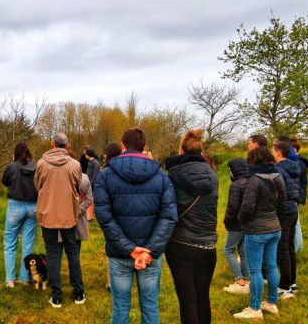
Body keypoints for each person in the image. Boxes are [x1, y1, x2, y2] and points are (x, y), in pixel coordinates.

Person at [95, 127, 177, 324]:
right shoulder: (161, 177)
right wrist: (146, 250)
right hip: (146, 254)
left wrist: (133, 250)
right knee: (150, 307)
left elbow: (104, 217)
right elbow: (169, 217)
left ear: (123, 146)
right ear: (144, 147)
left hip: (122, 253)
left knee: (120, 308)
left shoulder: (105, 175)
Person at [164, 129, 219, 324]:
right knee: (202, 296)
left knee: (187, 300)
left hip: (180, 243)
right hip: (207, 244)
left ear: (181, 150)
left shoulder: (171, 176)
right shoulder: (213, 177)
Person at [233, 147, 285, 319]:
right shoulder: (278, 176)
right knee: (271, 266)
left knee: (255, 270)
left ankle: (254, 309)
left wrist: (241, 219)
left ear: (253, 161)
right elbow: (283, 203)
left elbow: (247, 206)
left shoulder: (254, 180)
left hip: (256, 231)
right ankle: (271, 303)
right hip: (274, 228)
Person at [34, 133, 85, 308]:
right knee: (72, 252)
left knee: (53, 253)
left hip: (48, 214)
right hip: (68, 215)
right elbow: (79, 187)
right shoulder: (75, 165)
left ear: (52, 144)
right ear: (67, 146)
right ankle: (78, 293)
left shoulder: (41, 164)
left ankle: (56, 296)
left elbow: (37, 186)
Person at [2, 142, 38, 288]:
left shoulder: (12, 167)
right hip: (33, 207)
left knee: (10, 242)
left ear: (15, 153)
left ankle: (10, 279)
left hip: (16, 205)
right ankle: (25, 278)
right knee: (28, 244)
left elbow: (5, 181)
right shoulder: (36, 167)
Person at [272, 140, 301, 300]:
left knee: (282, 247)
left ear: (278, 152)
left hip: (284, 210)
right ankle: (292, 282)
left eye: (272, 150)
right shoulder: (294, 167)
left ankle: (283, 286)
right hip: (293, 208)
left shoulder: (279, 170)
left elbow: (278, 192)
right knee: (289, 246)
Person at [223, 158, 250, 294]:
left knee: (227, 250)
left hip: (236, 224)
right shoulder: (251, 182)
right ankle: (246, 279)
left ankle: (239, 280)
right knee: (243, 252)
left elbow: (232, 207)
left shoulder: (236, 185)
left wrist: (227, 221)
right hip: (247, 223)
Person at [103, 142, 123, 292]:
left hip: (112, 216)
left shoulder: (106, 172)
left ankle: (111, 282)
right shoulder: (124, 169)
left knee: (112, 249)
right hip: (123, 213)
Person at [66, 150, 93, 254]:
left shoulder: (59, 177)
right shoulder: (85, 178)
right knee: (76, 248)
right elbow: (89, 198)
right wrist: (78, 211)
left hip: (62, 216)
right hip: (78, 215)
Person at [290, 135, 308, 258]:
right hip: (297, 194)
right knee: (295, 223)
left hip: (296, 195)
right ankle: (297, 249)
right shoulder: (299, 162)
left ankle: (297, 249)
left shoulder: (298, 163)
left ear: (295, 150)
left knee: (295, 223)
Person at [85, 148, 100, 221]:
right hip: (88, 184)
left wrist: (91, 184)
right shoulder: (90, 162)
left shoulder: (95, 163)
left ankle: (91, 216)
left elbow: (95, 175)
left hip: (92, 186)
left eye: (86, 154)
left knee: (92, 201)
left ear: (88, 154)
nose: (85, 155)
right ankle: (90, 216)